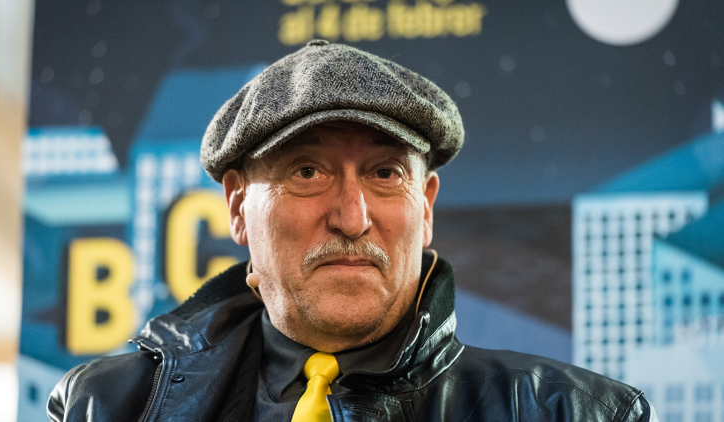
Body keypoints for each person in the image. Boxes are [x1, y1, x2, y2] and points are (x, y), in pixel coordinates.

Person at [48, 40, 657, 421]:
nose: (352, 216)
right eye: (307, 172)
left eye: (385, 173)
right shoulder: (104, 408)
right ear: (237, 207)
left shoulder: (574, 414)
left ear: (426, 207)